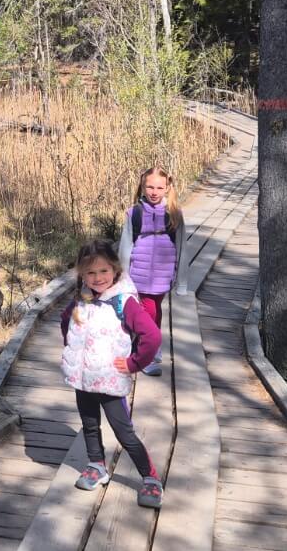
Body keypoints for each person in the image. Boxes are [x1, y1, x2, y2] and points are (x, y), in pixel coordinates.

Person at [59, 240, 164, 508]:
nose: (98, 278)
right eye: (91, 273)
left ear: (115, 269)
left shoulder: (123, 302)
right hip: (83, 379)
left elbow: (151, 335)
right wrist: (73, 353)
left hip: (109, 380)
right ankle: (97, 465)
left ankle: (150, 479)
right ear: (82, 274)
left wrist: (134, 363)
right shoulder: (81, 298)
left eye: (104, 271)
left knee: (123, 431)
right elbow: (65, 322)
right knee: (89, 424)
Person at [116, 166, 185, 376]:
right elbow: (125, 246)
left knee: (155, 312)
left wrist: (181, 282)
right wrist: (121, 279)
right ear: (143, 187)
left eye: (159, 187)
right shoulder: (134, 213)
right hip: (139, 275)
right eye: (150, 187)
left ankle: (150, 350)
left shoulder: (173, 214)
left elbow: (182, 248)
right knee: (148, 313)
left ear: (167, 188)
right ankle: (144, 356)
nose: (154, 192)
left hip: (163, 277)